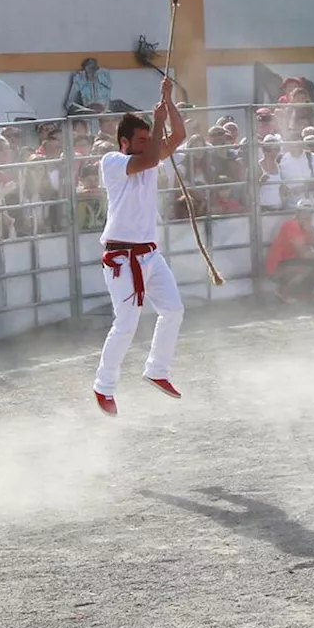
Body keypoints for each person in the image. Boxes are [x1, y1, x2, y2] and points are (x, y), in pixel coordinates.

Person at [92, 80, 187, 417]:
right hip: (121, 256)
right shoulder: (113, 162)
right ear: (124, 142)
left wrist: (167, 102)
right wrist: (157, 118)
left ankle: (157, 370)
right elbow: (148, 159)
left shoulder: (147, 158)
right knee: (127, 322)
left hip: (149, 252)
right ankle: (103, 386)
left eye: (149, 140)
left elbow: (179, 136)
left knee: (173, 310)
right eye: (142, 140)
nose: (150, 145)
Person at [265, 198, 314, 302]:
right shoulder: (291, 225)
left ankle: (303, 293)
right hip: (278, 266)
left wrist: (312, 232)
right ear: (297, 213)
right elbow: (304, 254)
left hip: (291, 262)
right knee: (311, 265)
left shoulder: (307, 227)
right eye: (304, 212)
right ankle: (283, 292)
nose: (307, 215)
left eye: (309, 213)